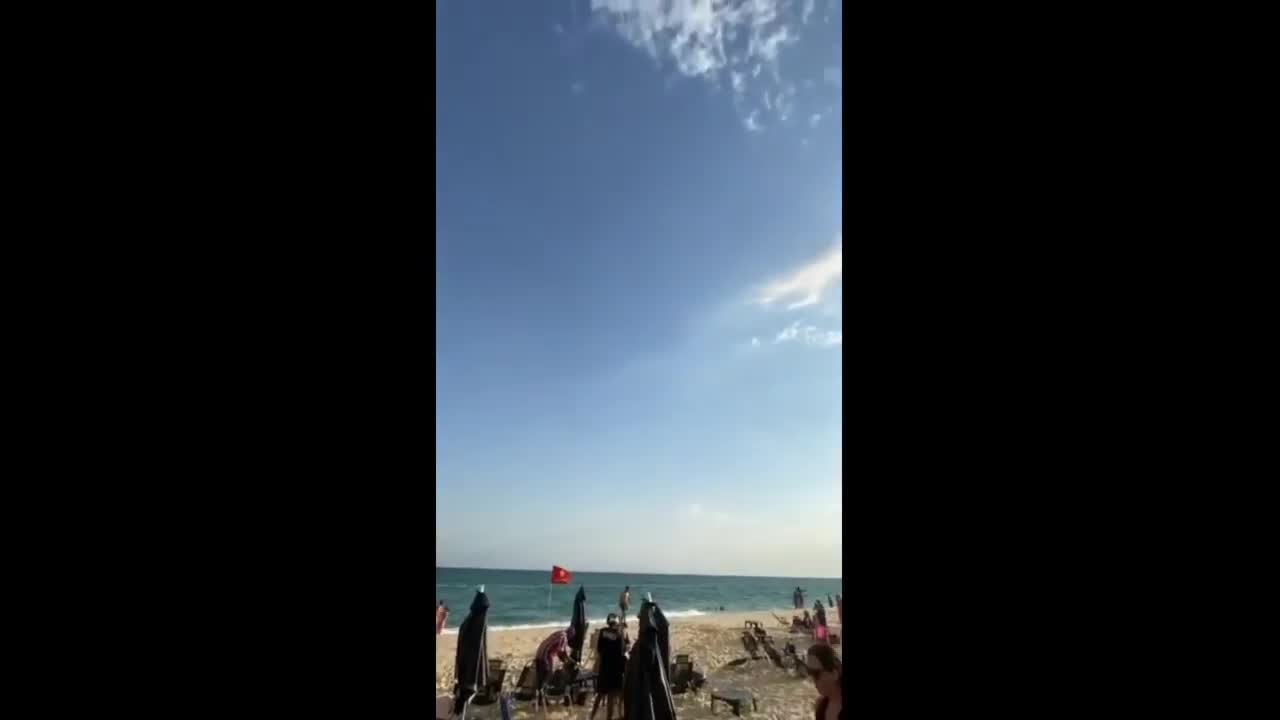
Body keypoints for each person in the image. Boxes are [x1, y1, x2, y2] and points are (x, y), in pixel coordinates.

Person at [590, 614, 627, 720]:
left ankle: (592, 716)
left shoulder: (602, 632)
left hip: (604, 667)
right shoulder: (619, 634)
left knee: (600, 695)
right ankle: (610, 717)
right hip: (614, 669)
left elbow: (599, 649)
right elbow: (621, 651)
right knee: (612, 696)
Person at [534, 626, 579, 706]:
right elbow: (561, 653)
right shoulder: (564, 638)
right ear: (570, 635)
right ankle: (543, 698)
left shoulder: (560, 633)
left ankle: (538, 699)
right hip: (545, 655)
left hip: (539, 654)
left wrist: (570, 661)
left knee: (540, 678)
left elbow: (562, 652)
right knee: (548, 676)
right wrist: (571, 662)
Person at [806, 644, 843, 720]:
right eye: (810, 672)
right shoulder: (820, 706)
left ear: (834, 673)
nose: (813, 680)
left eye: (816, 674)